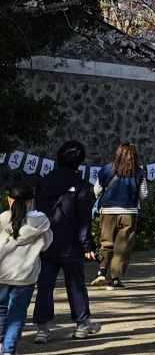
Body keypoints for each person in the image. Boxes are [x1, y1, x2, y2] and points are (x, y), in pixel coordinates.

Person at [32, 141, 102, 343]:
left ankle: (42, 330)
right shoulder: (81, 186)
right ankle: (81, 325)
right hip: (71, 245)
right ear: (79, 163)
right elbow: (83, 219)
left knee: (44, 287)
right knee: (76, 285)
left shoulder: (43, 182)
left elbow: (35, 213)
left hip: (45, 243)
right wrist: (87, 244)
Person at [0, 184, 53, 355]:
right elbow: (46, 245)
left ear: (9, 200)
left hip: (1, 274)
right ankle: (9, 350)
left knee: (0, 312)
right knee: (16, 317)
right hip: (26, 276)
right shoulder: (41, 222)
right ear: (31, 202)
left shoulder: (2, 219)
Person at [92, 143, 148, 289]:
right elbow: (143, 194)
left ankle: (101, 271)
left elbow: (96, 189)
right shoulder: (139, 172)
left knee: (106, 243)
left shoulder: (106, 169)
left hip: (108, 211)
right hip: (129, 213)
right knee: (123, 247)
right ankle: (115, 279)